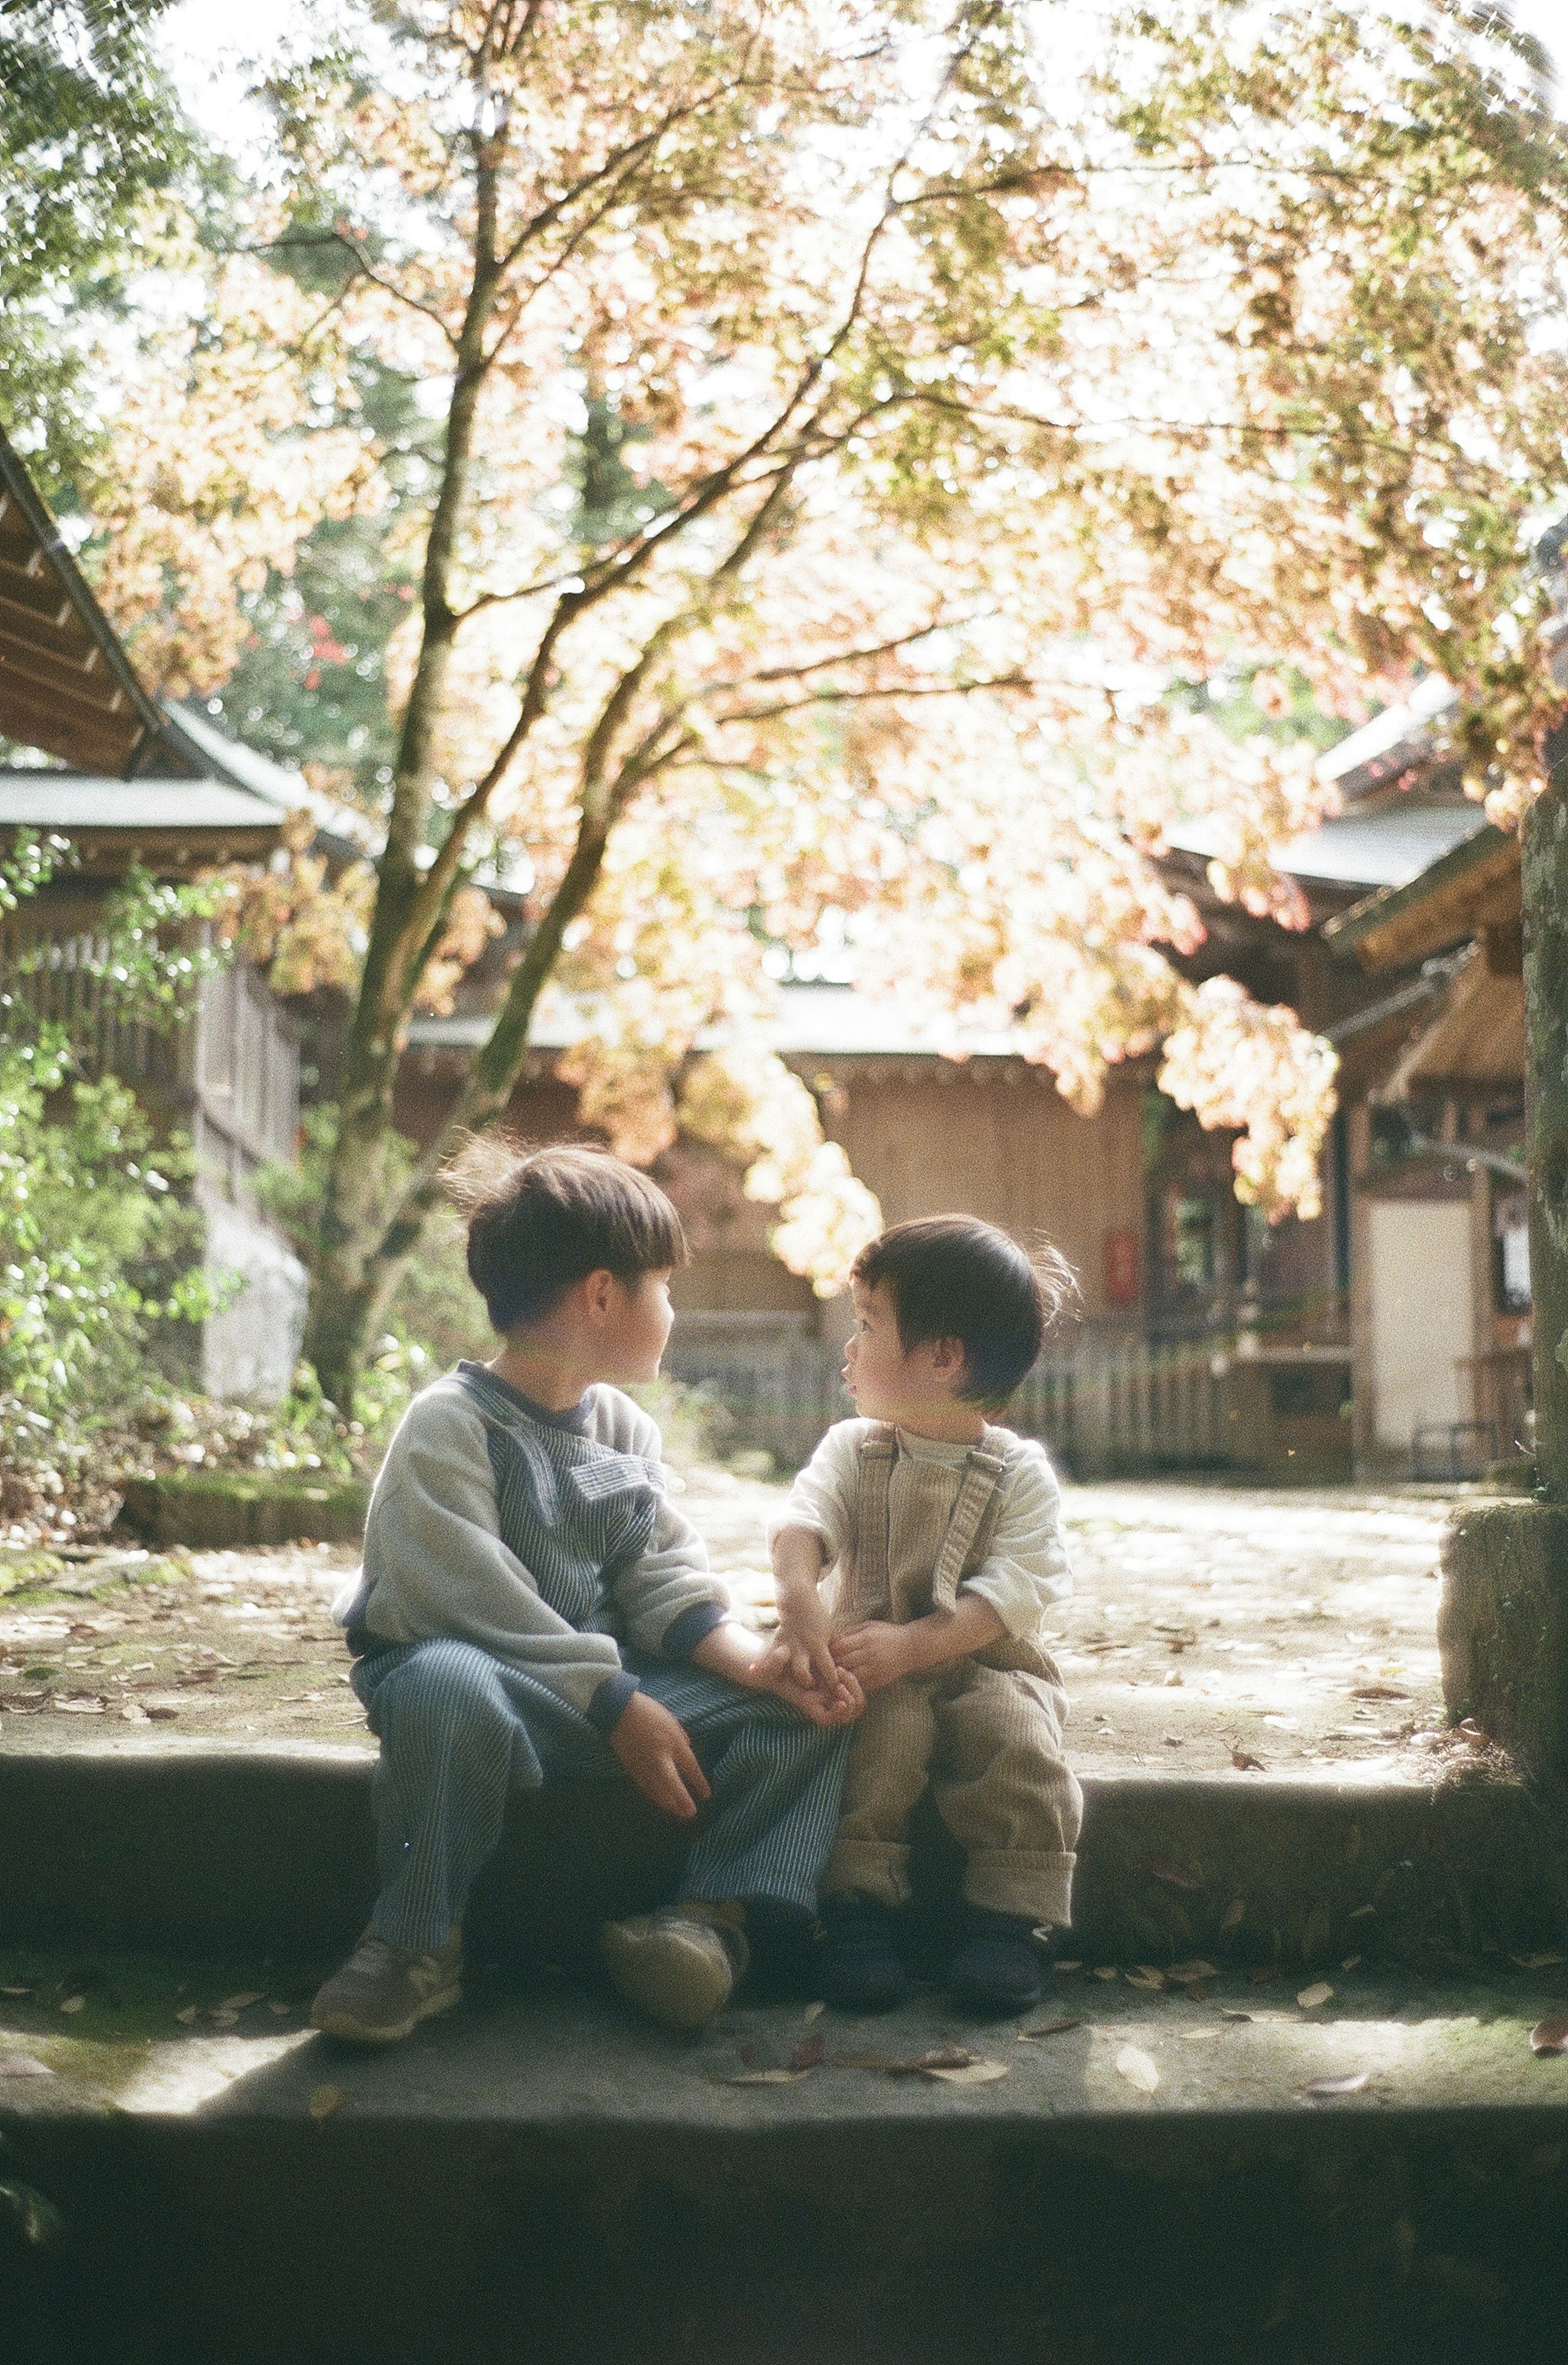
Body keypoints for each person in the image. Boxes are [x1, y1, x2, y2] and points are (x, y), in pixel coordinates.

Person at [311, 1141, 858, 2045]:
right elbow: (468, 1594)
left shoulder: (621, 1427)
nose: (675, 1310)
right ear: (603, 1295)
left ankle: (707, 1920)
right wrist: (614, 1702)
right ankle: (413, 1943)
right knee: (449, 1689)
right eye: (665, 1287)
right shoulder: (450, 1423)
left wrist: (755, 1665)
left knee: (811, 1708)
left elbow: (661, 1575)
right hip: (482, 1680)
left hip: (598, 1694)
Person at [766, 1216, 1081, 2017]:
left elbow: (1018, 1589)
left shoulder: (1020, 1473)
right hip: (873, 1658)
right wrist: (802, 1594)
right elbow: (806, 1520)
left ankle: (1013, 1921)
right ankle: (859, 1913)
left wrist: (922, 1643)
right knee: (880, 1742)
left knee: (1019, 1744)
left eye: (868, 1325)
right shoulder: (854, 1448)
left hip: (984, 1658)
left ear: (943, 1358)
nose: (849, 1345)